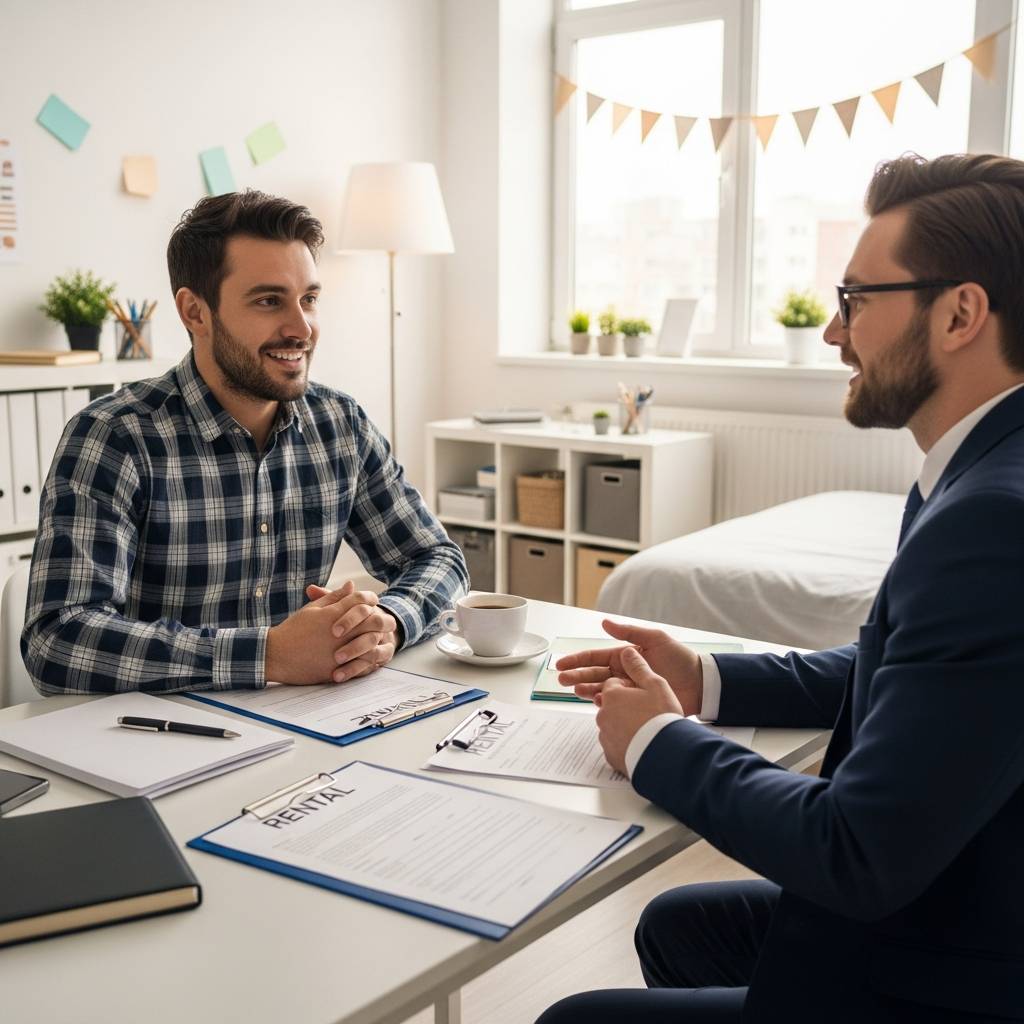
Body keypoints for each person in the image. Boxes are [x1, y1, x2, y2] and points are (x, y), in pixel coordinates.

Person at [540, 152, 1024, 1023]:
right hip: (967, 886)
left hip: (965, 970)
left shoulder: (991, 523)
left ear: (960, 313)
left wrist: (655, 739)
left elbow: (855, 852)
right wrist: (707, 679)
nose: (836, 334)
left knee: (569, 1019)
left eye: (856, 301)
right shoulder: (979, 471)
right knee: (678, 925)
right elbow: (906, 668)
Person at [22, 190, 468, 694]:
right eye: (268, 300)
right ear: (195, 312)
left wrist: (390, 620)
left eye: (310, 299)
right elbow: (56, 640)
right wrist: (268, 655)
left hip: (306, 721)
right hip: (155, 739)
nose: (302, 328)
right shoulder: (115, 438)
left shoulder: (340, 425)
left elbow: (438, 557)